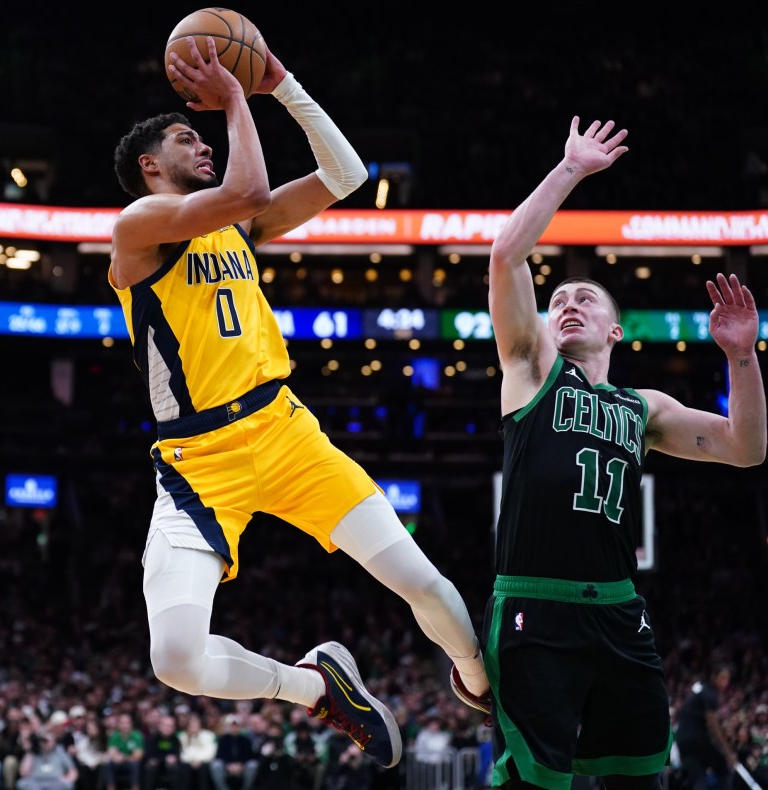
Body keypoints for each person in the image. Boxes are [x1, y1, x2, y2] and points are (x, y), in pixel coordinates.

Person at [108, 31, 489, 773]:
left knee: (427, 586)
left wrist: (278, 83)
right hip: (196, 467)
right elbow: (246, 190)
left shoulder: (239, 227)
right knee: (175, 659)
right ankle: (311, 686)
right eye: (189, 139)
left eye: (207, 133)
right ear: (150, 166)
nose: (207, 145)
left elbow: (344, 174)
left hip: (287, 435)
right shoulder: (138, 228)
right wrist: (232, 101)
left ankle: (482, 684)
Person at [484, 116, 767, 789]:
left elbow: (747, 449)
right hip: (535, 602)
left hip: (618, 609)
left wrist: (742, 358)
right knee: (535, 781)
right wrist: (572, 170)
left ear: (615, 328)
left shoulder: (644, 408)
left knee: (639, 776)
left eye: (585, 296)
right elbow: (504, 256)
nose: (568, 303)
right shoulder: (530, 367)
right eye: (558, 299)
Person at [674, 664, 737, 790]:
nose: (724, 682)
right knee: (723, 767)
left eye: (727, 679)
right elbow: (712, 724)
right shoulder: (710, 694)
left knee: (699, 777)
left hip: (681, 740)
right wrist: (727, 752)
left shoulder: (699, 689)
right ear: (714, 677)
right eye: (722, 677)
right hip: (696, 740)